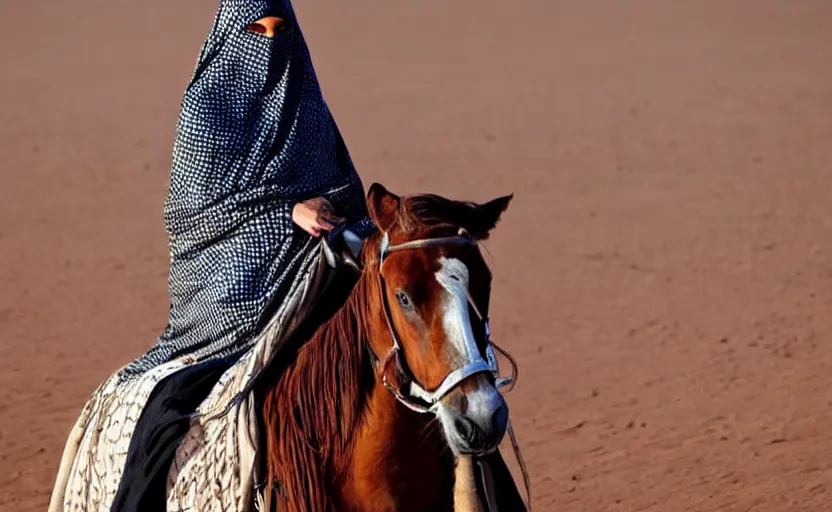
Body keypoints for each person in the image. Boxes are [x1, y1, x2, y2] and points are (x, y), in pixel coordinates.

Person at [119, 0, 374, 380]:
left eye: (280, 30)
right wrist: (288, 213)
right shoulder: (206, 107)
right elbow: (191, 214)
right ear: (232, 35)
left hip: (317, 248)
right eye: (257, 31)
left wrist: (327, 205)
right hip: (227, 267)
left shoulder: (304, 101)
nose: (269, 42)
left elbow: (342, 186)